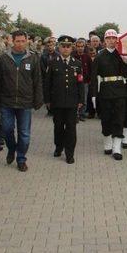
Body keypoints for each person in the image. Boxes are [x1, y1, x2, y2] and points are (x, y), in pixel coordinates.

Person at [0, 30, 44, 172]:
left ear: (27, 41)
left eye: (22, 41)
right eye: (17, 41)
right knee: (7, 129)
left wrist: (38, 99)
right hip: (6, 102)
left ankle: (21, 159)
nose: (20, 44)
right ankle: (11, 148)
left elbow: (37, 81)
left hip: (25, 102)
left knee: (25, 134)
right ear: (12, 42)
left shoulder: (32, 58)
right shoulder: (3, 58)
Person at [44, 35, 84, 164]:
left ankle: (69, 153)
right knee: (58, 127)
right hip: (57, 101)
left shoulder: (77, 64)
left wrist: (81, 100)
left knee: (71, 128)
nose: (66, 49)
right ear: (59, 47)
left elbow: (80, 83)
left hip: (72, 102)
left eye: (68, 46)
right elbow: (47, 83)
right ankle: (59, 146)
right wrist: (48, 100)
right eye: (63, 46)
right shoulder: (53, 62)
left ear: (72, 48)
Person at [90, 29, 127, 160]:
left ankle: (117, 148)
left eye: (114, 38)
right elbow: (93, 77)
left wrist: (125, 61)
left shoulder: (121, 55)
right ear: (104, 41)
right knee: (106, 118)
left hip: (119, 91)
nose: (112, 41)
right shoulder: (99, 56)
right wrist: (93, 94)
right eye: (109, 38)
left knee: (119, 118)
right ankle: (107, 143)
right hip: (105, 91)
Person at [72, 38, 91, 122]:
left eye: (82, 46)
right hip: (74, 82)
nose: (80, 48)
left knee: (84, 98)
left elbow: (91, 69)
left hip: (85, 81)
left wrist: (90, 79)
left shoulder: (87, 57)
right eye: (78, 46)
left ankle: (82, 114)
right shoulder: (72, 56)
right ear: (75, 47)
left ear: (84, 47)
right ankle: (74, 115)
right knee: (74, 98)